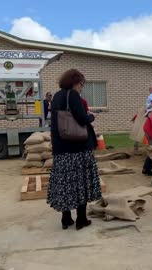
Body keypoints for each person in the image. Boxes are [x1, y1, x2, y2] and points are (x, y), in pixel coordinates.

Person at [47, 69, 101, 231]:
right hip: (78, 149)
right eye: (81, 84)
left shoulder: (56, 96)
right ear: (75, 82)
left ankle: (66, 218)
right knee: (81, 184)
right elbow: (82, 119)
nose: (81, 87)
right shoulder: (74, 96)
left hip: (61, 150)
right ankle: (81, 219)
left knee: (65, 184)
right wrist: (91, 116)